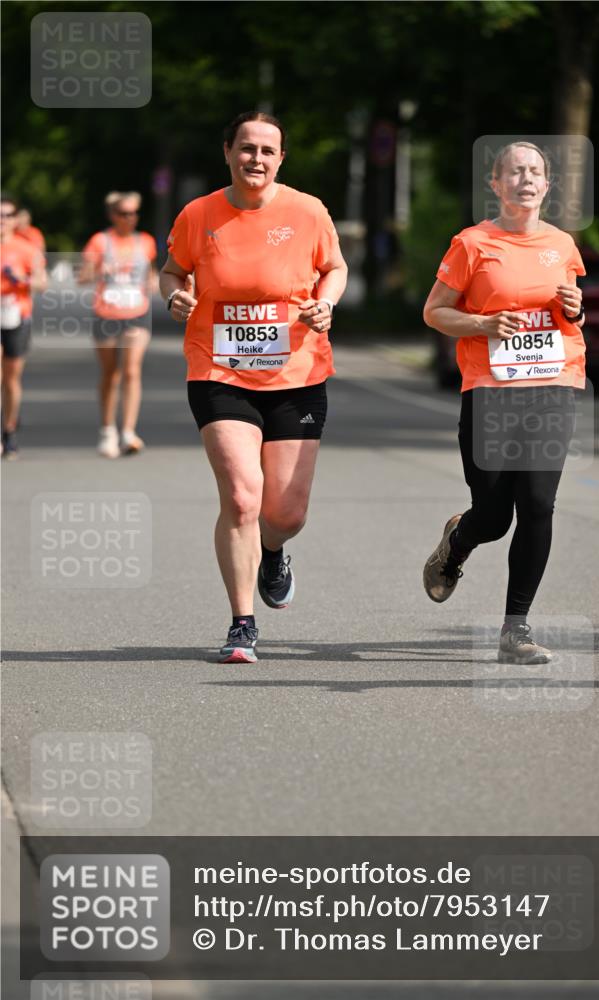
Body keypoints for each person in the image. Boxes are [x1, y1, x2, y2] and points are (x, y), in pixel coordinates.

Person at [160, 111, 347, 663]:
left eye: (268, 150)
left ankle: (273, 550)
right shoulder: (199, 214)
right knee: (243, 496)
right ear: (228, 152)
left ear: (281, 158)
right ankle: (242, 623)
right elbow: (173, 269)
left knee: (285, 513)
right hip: (219, 369)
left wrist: (326, 303)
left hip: (297, 371)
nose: (256, 159)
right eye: (246, 148)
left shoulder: (308, 211)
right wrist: (175, 295)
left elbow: (334, 268)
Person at [422, 142, 586, 664]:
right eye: (513, 171)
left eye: (535, 171)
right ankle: (458, 541)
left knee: (538, 504)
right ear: (495, 185)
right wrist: (482, 324)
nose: (526, 178)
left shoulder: (562, 245)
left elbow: (569, 316)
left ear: (547, 185)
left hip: (554, 384)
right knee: (494, 517)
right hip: (491, 392)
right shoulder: (472, 244)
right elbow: (435, 311)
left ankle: (515, 629)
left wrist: (577, 310)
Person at [80, 191, 157, 458]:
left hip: (136, 312)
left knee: (132, 370)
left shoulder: (145, 241)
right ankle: (107, 429)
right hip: (107, 313)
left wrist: (155, 283)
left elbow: (151, 274)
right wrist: (101, 270)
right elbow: (83, 276)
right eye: (124, 213)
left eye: (134, 213)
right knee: (111, 374)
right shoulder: (100, 242)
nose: (130, 218)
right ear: (113, 215)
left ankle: (128, 432)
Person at [1, 193, 47, 459]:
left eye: (7, 215)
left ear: (15, 219)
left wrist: (21, 280)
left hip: (16, 316)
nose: (2, 221)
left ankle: (9, 431)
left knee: (10, 379)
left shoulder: (26, 249)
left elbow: (42, 283)